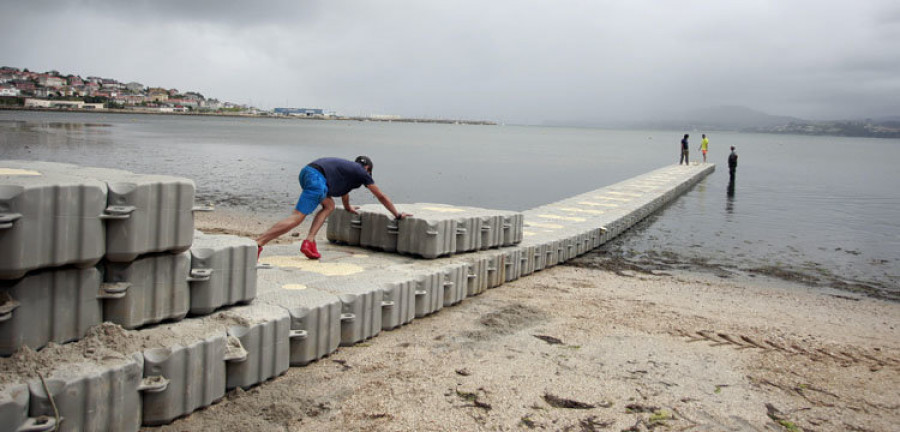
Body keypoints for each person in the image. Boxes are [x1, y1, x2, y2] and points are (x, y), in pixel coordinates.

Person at [256, 156, 411, 260]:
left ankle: (309, 241)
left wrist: (348, 207)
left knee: (329, 205)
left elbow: (344, 194)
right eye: (369, 172)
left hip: (308, 172)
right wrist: (397, 214)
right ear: (367, 168)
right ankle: (258, 243)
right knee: (297, 217)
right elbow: (381, 196)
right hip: (317, 178)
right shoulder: (362, 173)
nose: (369, 175)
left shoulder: (349, 170)